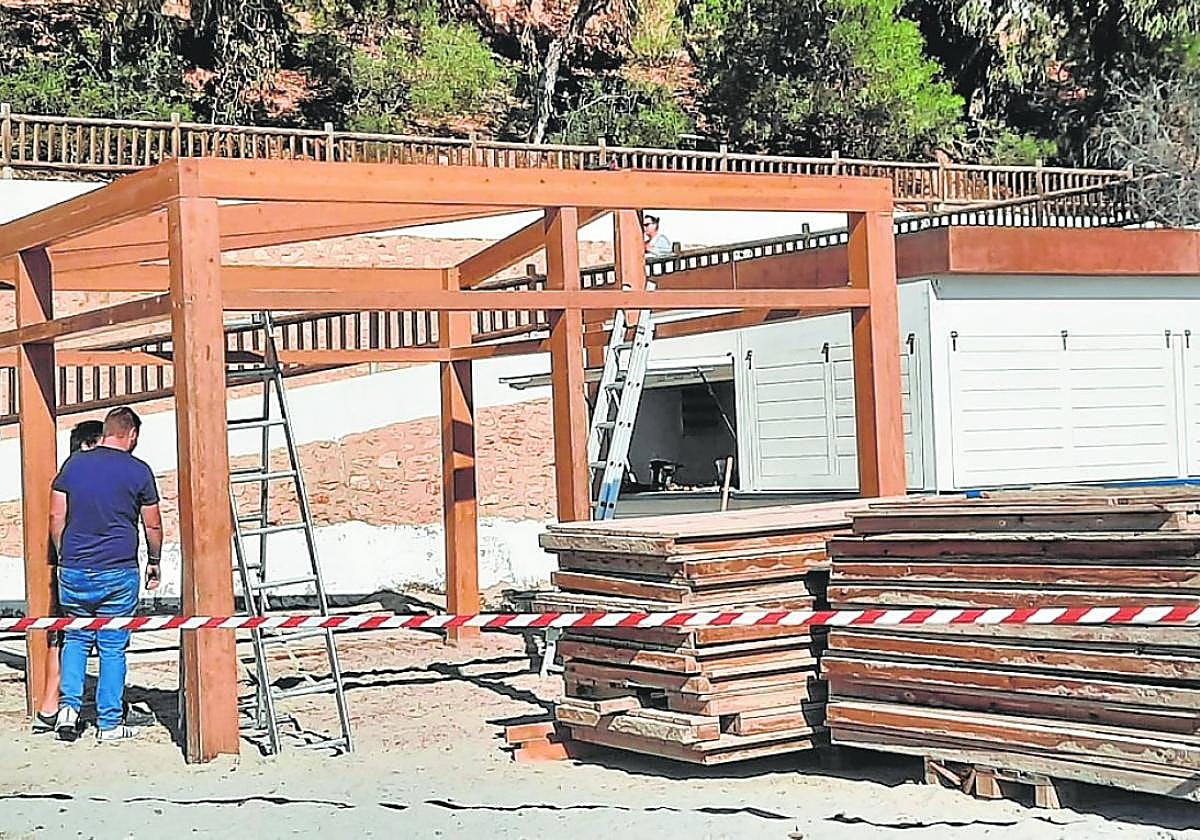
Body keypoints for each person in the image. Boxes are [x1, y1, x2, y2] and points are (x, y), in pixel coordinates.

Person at [49, 407, 163, 743]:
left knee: (76, 639)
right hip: (118, 569)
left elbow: (57, 515)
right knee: (113, 647)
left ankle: (68, 710)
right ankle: (109, 723)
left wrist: (62, 553)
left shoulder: (73, 465)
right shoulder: (139, 470)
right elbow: (153, 524)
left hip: (74, 568)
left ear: (104, 430)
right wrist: (154, 560)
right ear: (132, 435)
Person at [30, 420, 103, 734]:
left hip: (66, 565)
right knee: (73, 636)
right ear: (89, 444)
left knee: (63, 634)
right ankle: (58, 703)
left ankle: (51, 704)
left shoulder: (69, 474)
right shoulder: (81, 476)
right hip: (80, 566)